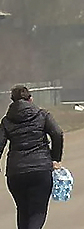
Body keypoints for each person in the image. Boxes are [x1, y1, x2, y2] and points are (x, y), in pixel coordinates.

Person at [0, 85, 64, 229]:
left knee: (23, 210)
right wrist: (55, 159)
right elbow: (57, 134)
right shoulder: (42, 115)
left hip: (15, 172)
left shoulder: (6, 121)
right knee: (37, 212)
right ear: (30, 99)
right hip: (40, 169)